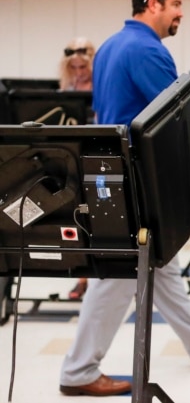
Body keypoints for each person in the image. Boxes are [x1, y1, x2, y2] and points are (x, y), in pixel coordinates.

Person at [59, 0, 190, 397]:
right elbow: (182, 118)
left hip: (109, 171)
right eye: (176, 3)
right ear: (152, 3)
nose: (181, 12)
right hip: (133, 177)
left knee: (159, 262)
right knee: (122, 273)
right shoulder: (148, 50)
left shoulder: (110, 45)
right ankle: (78, 370)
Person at [58, 37, 96, 300]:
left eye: (83, 67)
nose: (79, 73)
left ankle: (90, 278)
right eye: (74, 68)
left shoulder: (100, 88)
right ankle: (81, 276)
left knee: (95, 219)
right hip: (70, 159)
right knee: (74, 219)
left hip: (92, 156)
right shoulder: (65, 90)